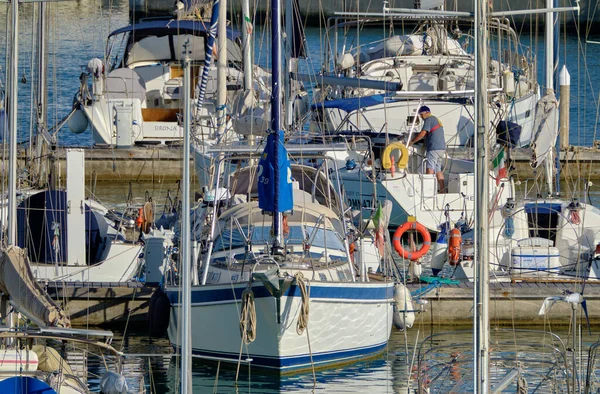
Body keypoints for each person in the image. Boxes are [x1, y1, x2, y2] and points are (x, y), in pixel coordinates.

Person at [408, 106, 446, 193]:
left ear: (427, 112)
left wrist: (412, 141)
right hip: (441, 149)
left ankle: (429, 191)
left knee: (430, 168)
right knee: (438, 170)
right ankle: (443, 190)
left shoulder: (429, 119)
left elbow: (422, 133)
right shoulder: (435, 119)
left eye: (421, 114)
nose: (421, 117)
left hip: (434, 148)